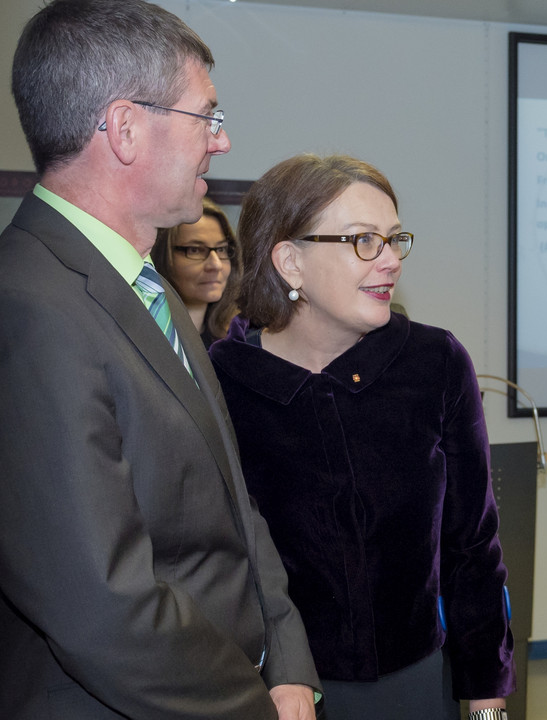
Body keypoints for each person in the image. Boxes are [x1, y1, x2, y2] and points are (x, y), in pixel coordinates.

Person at [0, 1, 320, 718]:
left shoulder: (147, 288)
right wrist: (254, 706)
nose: (223, 139)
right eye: (206, 116)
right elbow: (100, 605)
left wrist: (289, 662)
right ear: (123, 127)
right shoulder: (28, 305)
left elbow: (235, 505)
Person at [208, 153, 515, 720]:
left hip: (417, 681)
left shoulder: (434, 362)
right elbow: (219, 559)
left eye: (395, 239)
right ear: (289, 261)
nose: (391, 260)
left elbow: (472, 545)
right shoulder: (223, 381)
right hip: (273, 690)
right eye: (363, 241)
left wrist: (485, 695)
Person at [154, 196, 241, 347]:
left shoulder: (237, 342)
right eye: (195, 250)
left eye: (221, 249)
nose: (216, 265)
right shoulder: (149, 339)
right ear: (163, 256)